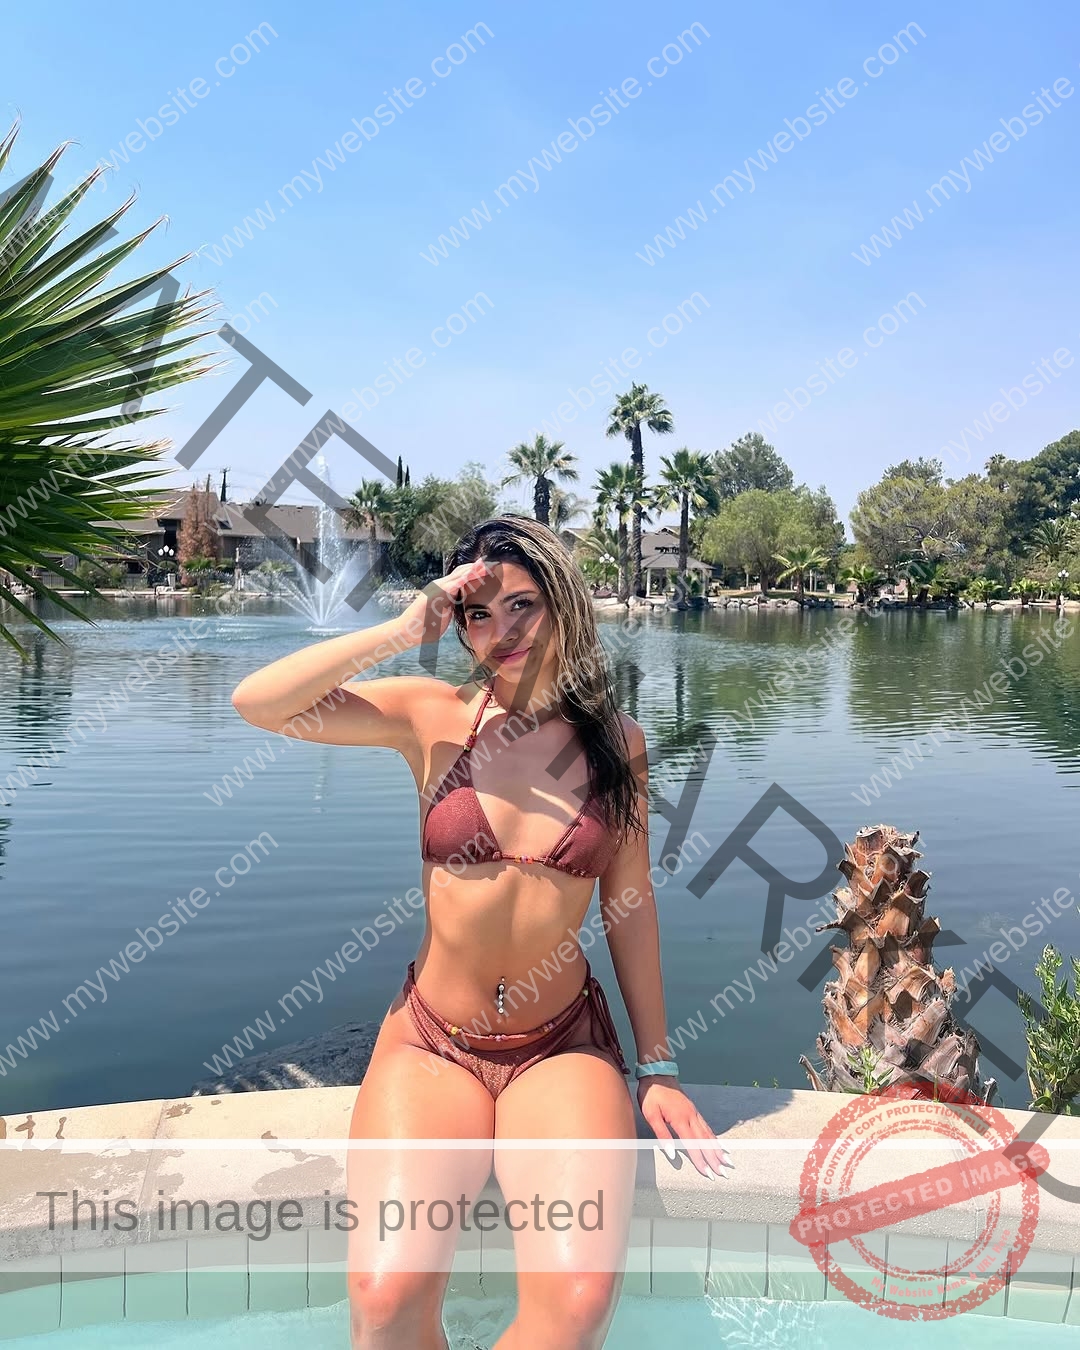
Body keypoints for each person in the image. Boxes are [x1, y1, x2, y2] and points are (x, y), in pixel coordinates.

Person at [231, 516, 731, 1350]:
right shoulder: (431, 714)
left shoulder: (619, 747)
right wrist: (400, 629)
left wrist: (660, 1067)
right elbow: (259, 704)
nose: (501, 634)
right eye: (478, 614)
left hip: (559, 1049)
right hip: (432, 1045)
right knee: (385, 1302)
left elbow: (630, 909)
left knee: (573, 1309)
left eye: (524, 606)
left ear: (567, 605)